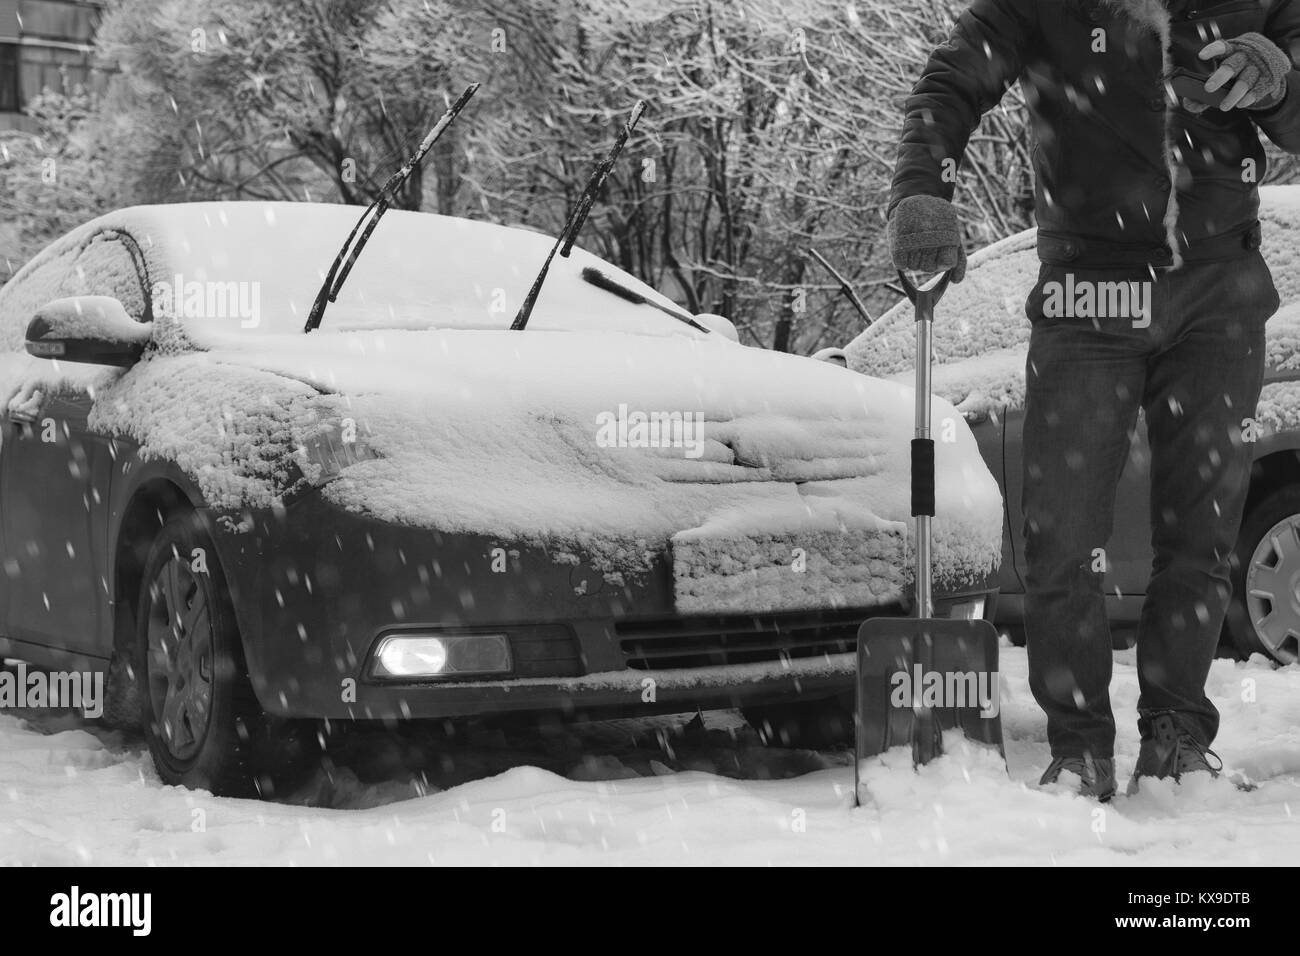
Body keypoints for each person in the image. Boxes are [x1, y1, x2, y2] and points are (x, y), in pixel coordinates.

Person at [887, 0, 1300, 800]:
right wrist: (919, 189)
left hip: (1220, 286)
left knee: (1202, 535)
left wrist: (1281, 84)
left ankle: (1176, 738)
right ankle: (1077, 747)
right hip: (1087, 288)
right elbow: (950, 82)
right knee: (1061, 535)